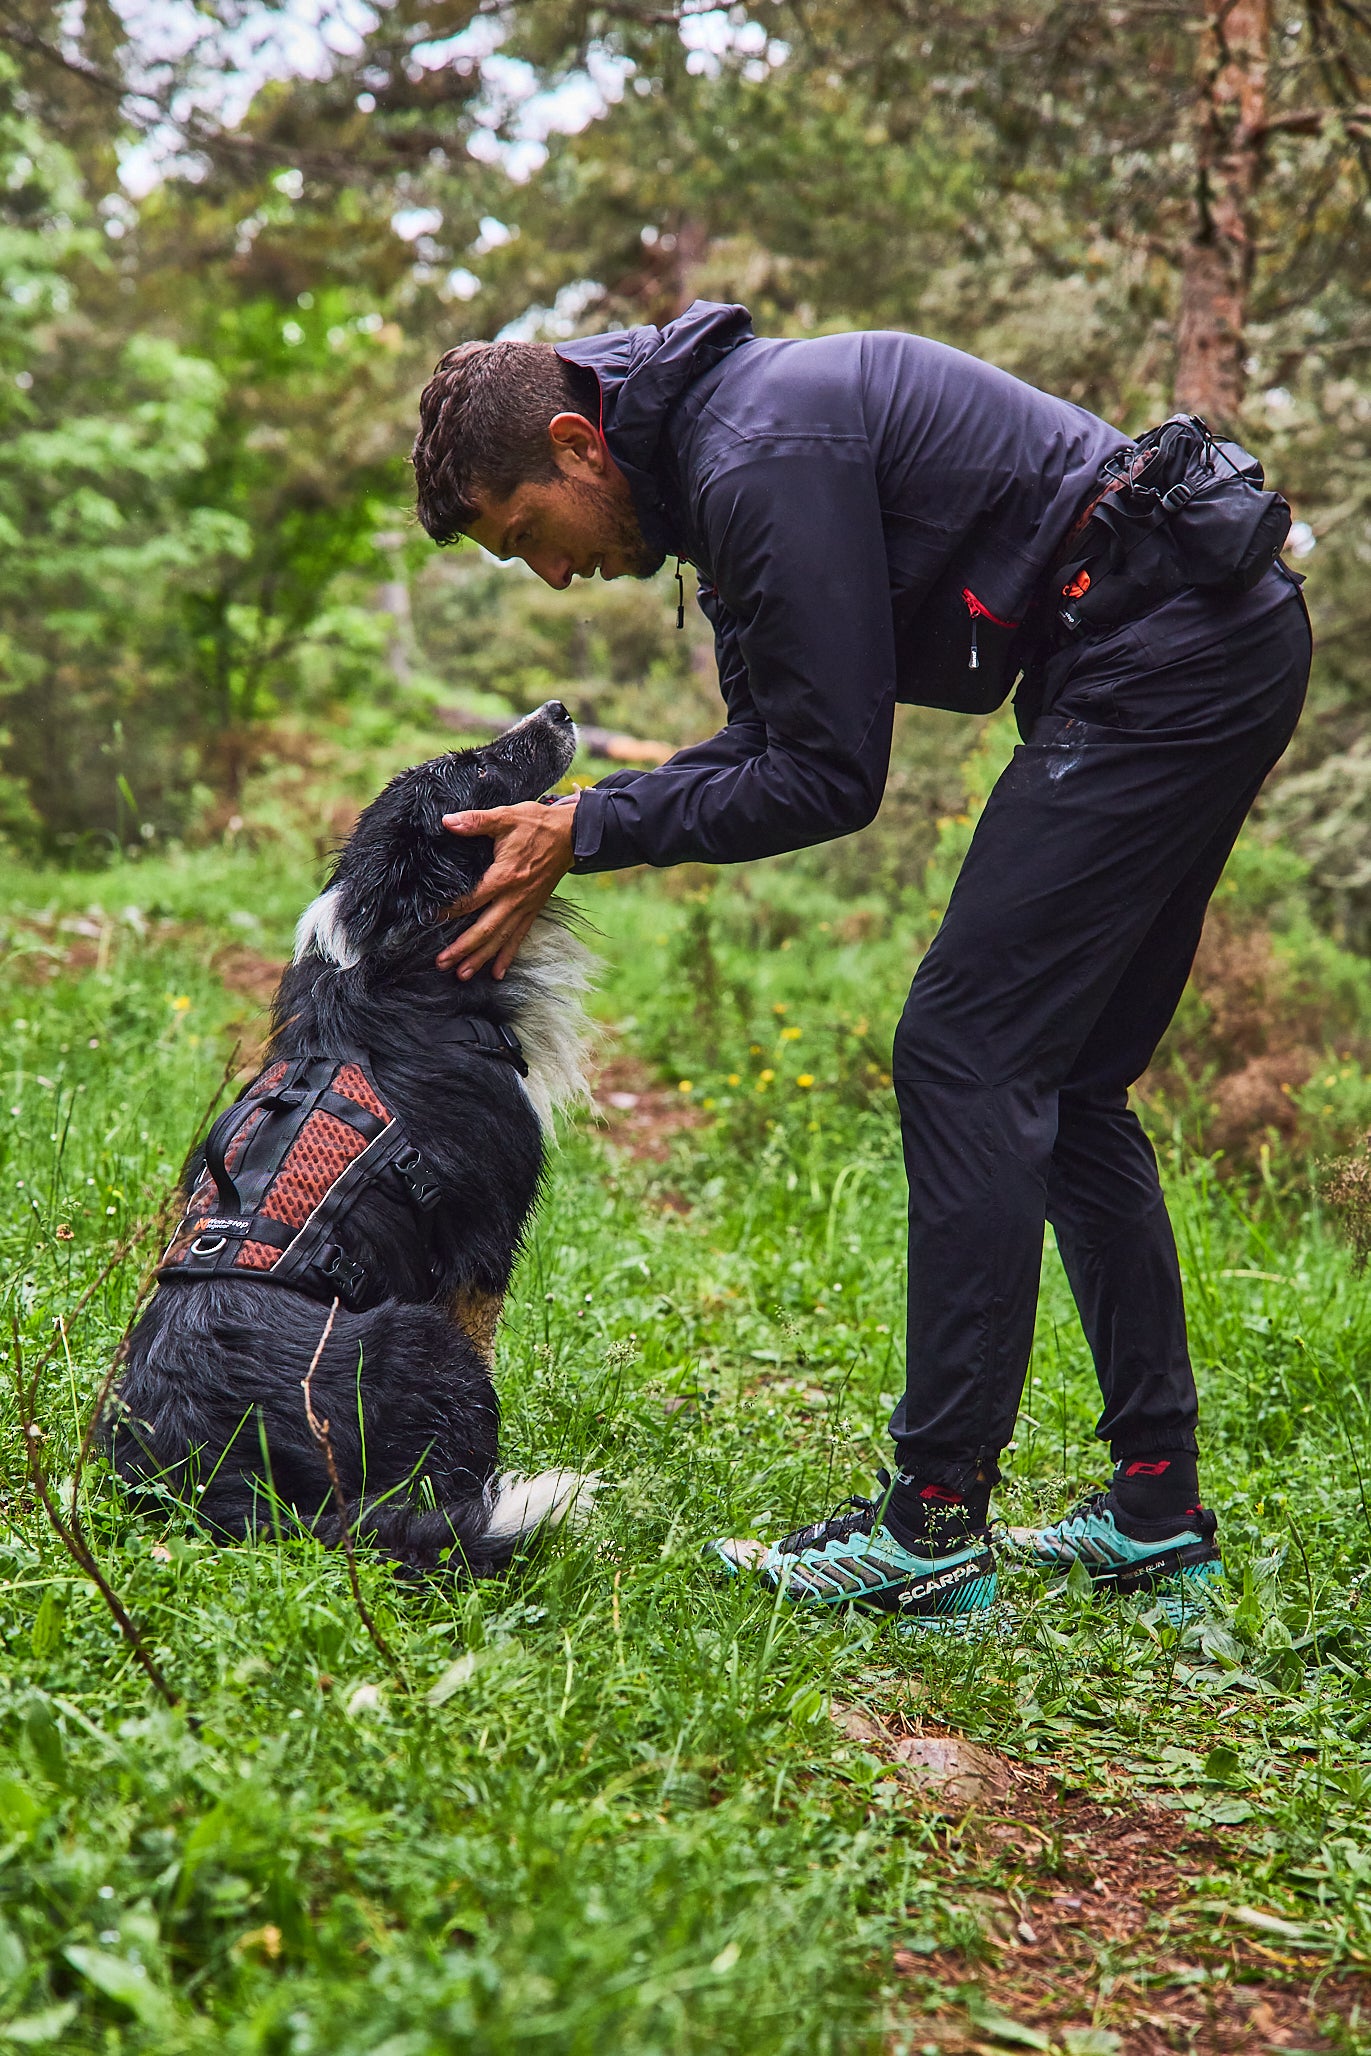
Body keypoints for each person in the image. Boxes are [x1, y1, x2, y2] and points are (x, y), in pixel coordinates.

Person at [409, 300, 1310, 1632]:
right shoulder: (718, 466)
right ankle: (1155, 1517)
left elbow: (829, 780)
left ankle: (934, 1528)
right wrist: (583, 819)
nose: (549, 574)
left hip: (1165, 653)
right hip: (1193, 640)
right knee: (1070, 1086)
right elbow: (766, 738)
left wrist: (588, 823)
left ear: (573, 443)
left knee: (965, 1050)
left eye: (529, 534)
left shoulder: (753, 454)